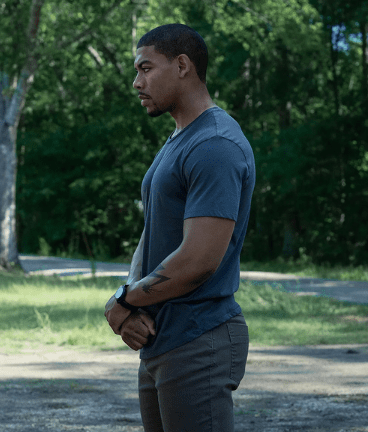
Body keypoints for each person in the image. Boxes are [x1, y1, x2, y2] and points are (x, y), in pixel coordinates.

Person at [104, 24, 256, 432]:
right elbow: (153, 233)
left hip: (198, 339)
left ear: (182, 65)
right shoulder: (181, 138)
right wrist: (129, 302)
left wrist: (124, 300)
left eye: (145, 68)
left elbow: (198, 260)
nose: (137, 83)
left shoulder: (215, 144)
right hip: (163, 339)